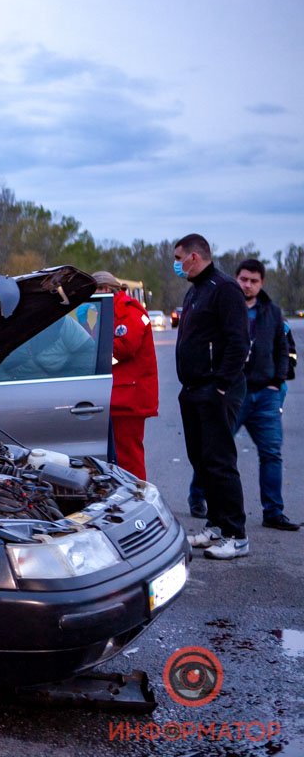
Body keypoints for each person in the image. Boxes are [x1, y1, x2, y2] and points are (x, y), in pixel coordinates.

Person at [174, 234, 251, 559]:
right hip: (193, 390)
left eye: (178, 258)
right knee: (201, 460)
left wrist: (220, 385)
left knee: (219, 462)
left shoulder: (224, 288)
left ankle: (236, 534)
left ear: (194, 256)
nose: (176, 264)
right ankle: (216, 525)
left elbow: (238, 342)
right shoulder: (196, 290)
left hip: (216, 390)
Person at [230, 259, 298, 530]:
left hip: (265, 395)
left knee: (271, 453)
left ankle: (273, 512)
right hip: (233, 394)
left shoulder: (272, 312)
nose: (247, 285)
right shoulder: (226, 308)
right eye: (243, 279)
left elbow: (283, 348)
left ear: (262, 283)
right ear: (236, 278)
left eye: (253, 281)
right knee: (217, 451)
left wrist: (277, 380)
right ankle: (199, 498)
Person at [93, 271, 158, 480]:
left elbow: (123, 349)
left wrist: (91, 355)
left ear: (104, 289)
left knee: (128, 459)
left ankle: (138, 494)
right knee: (118, 458)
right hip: (118, 395)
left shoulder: (129, 311)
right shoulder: (109, 309)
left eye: (93, 291)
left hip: (128, 398)